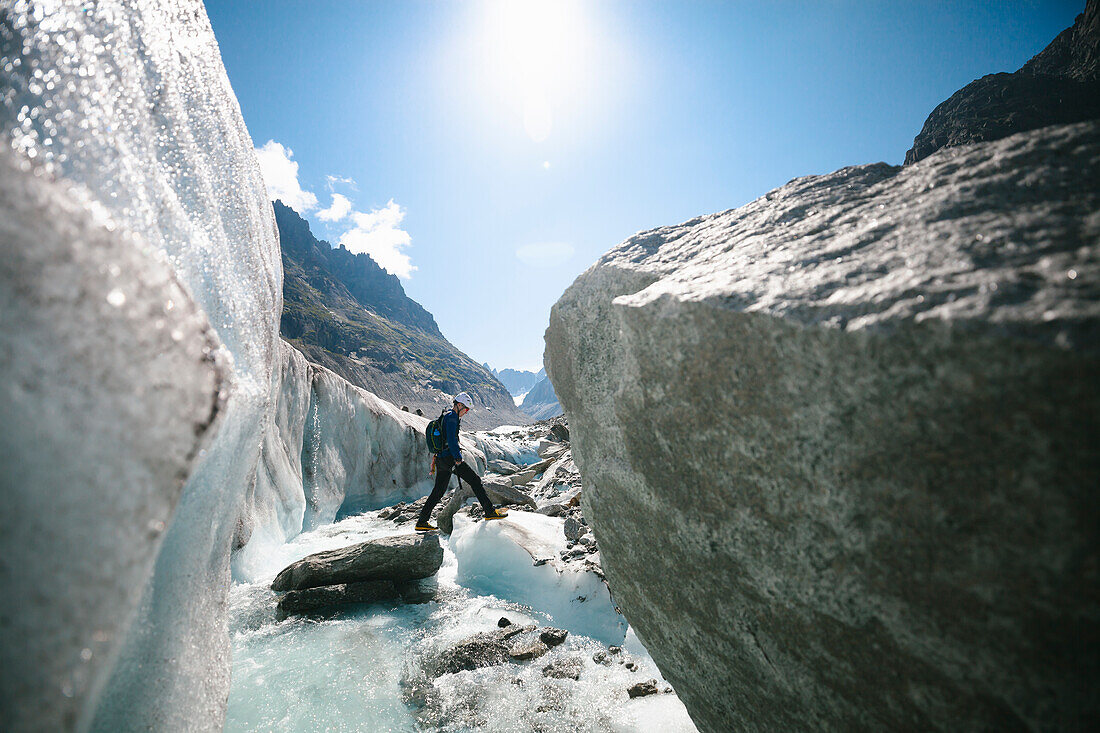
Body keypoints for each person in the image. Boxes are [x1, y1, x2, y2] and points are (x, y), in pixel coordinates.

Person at [416, 392, 508, 532]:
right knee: (475, 481)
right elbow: (452, 441)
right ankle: (489, 512)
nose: (466, 412)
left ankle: (422, 521)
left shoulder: (446, 416)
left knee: (438, 491)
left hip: (441, 459)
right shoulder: (452, 418)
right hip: (451, 459)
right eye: (466, 409)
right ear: (459, 405)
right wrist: (458, 458)